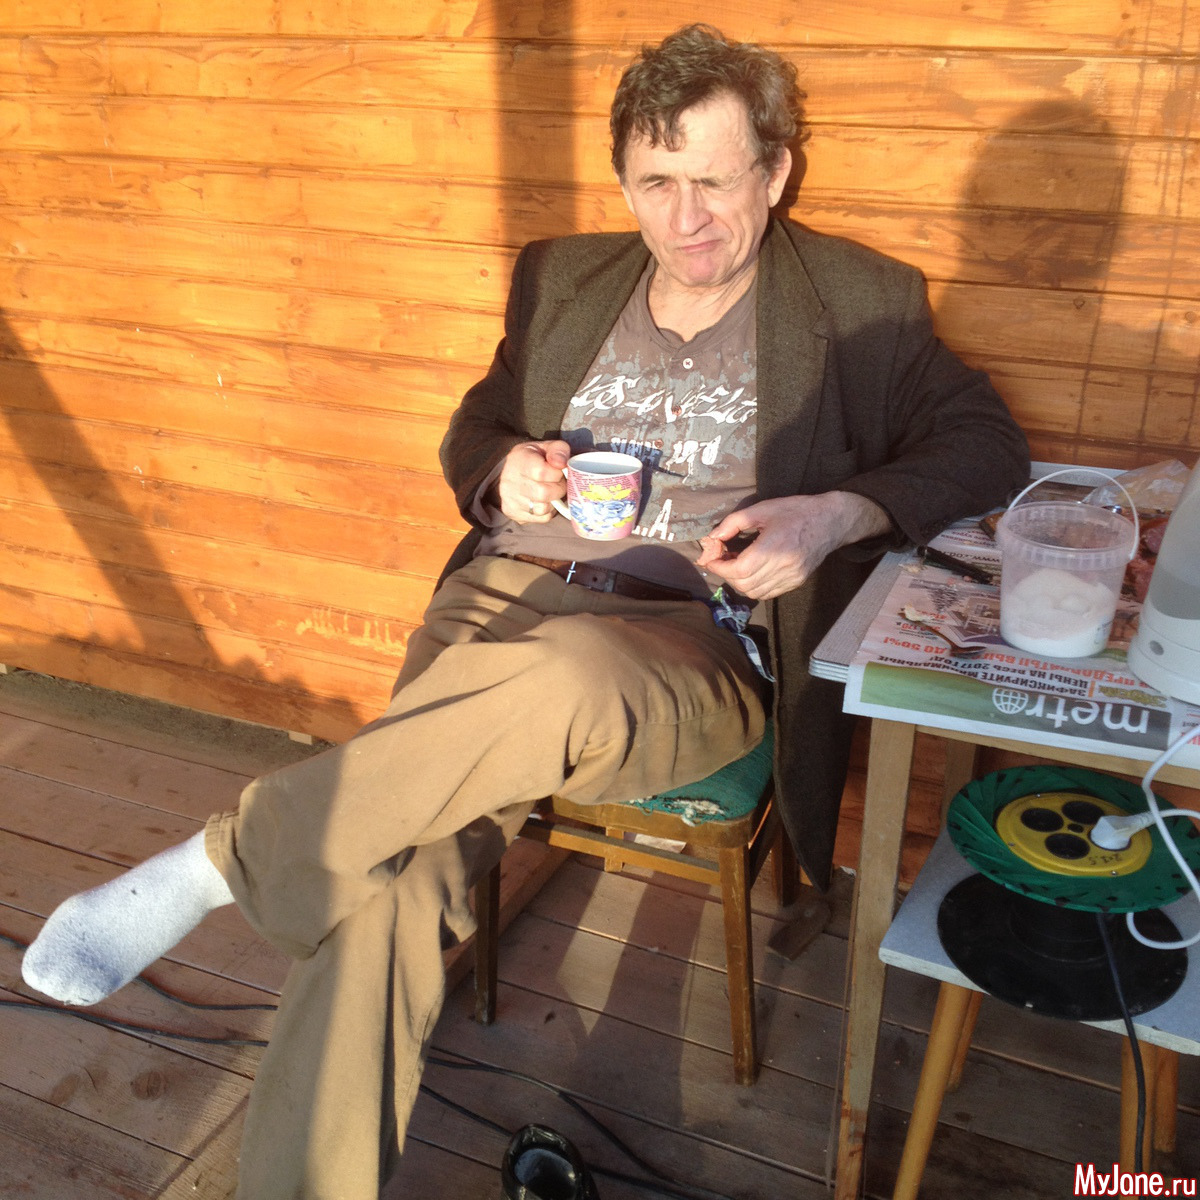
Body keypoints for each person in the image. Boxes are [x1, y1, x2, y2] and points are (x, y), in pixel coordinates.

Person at [21, 24, 1029, 1199]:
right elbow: (478, 422)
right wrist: (502, 469)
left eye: (716, 181)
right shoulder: (564, 280)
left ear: (775, 173)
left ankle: (217, 862)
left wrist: (835, 515)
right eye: (658, 183)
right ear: (624, 185)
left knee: (561, 678)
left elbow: (987, 443)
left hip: (687, 637)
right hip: (504, 594)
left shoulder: (857, 303)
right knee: (393, 884)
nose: (688, 218)